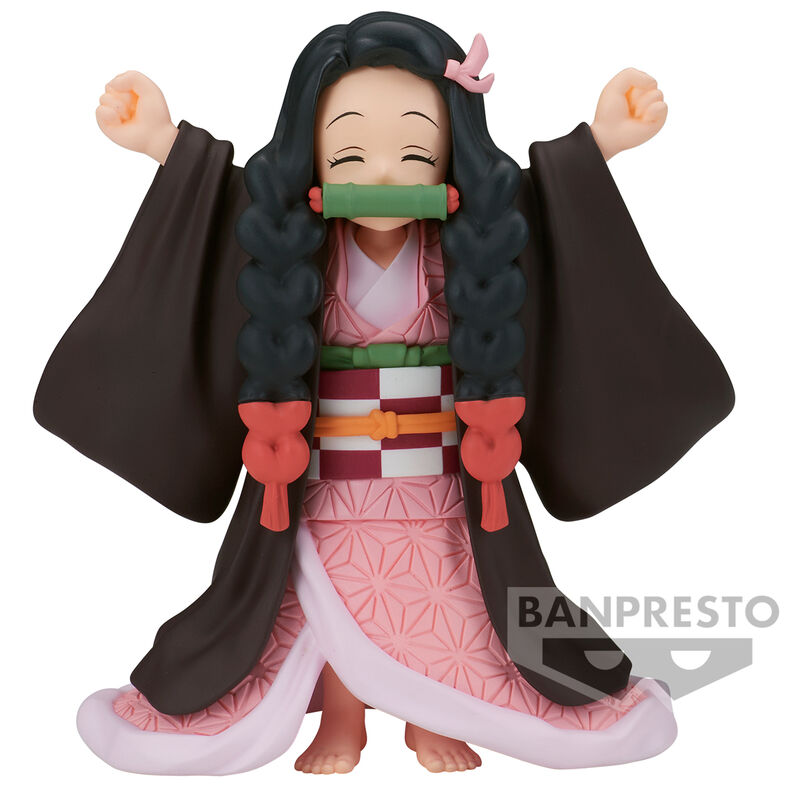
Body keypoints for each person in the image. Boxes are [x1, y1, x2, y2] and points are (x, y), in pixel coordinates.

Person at [34, 11, 734, 776]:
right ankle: (343, 719)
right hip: (322, 482)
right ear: (312, 156)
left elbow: (541, 213)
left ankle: (430, 718)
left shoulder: (467, 251)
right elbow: (227, 211)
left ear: (449, 158)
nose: (384, 177)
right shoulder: (290, 251)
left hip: (440, 484)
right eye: (350, 154)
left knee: (450, 606)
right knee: (322, 600)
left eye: (414, 153)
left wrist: (597, 146)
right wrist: (166, 145)